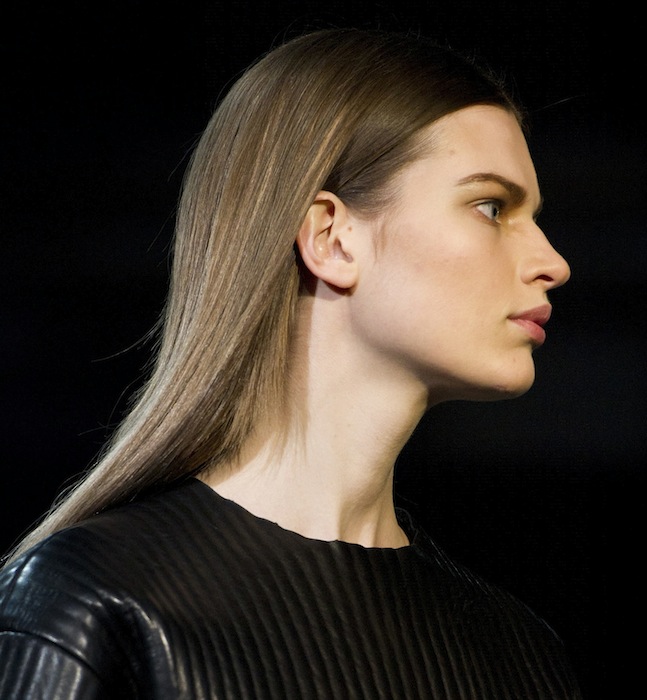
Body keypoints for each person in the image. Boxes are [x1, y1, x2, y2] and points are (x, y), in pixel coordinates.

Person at [0, 27, 581, 699]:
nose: (553, 262)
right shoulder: (92, 605)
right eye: (490, 207)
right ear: (330, 237)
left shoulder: (521, 656)